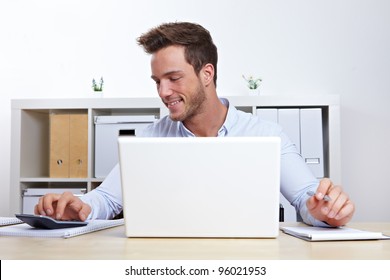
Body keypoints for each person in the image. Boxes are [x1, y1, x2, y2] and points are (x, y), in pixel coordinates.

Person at [35, 22, 355, 227]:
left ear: (207, 73)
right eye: (157, 81)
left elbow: (305, 197)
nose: (163, 92)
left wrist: (325, 210)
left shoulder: (266, 135)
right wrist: (79, 206)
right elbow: (107, 199)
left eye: (173, 78)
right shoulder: (148, 139)